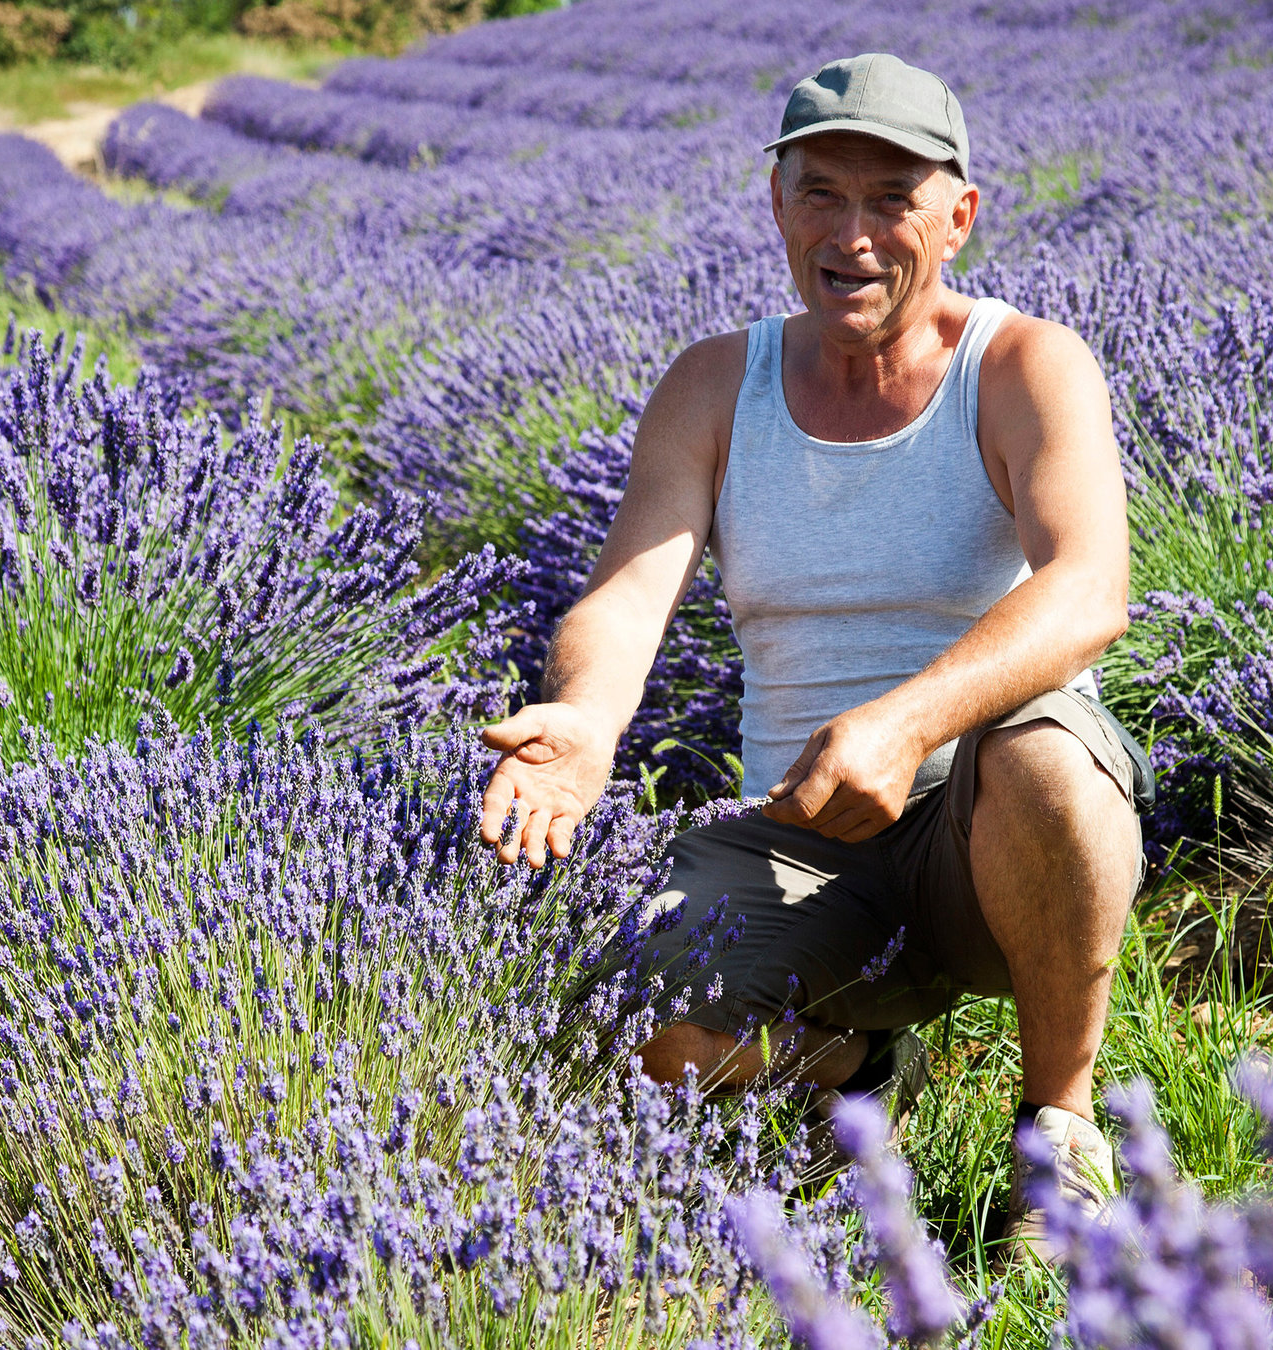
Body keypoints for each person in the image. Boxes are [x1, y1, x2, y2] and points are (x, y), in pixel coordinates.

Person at [475, 52, 1151, 1260]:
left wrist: (909, 722)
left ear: (959, 215)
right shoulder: (714, 385)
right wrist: (584, 722)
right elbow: (629, 594)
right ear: (776, 201)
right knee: (638, 1019)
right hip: (802, 834)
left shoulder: (1021, 366)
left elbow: (1090, 587)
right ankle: (848, 1057)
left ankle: (1060, 1126)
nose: (854, 234)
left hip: (982, 816)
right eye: (822, 193)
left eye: (893, 198)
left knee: (1048, 753)